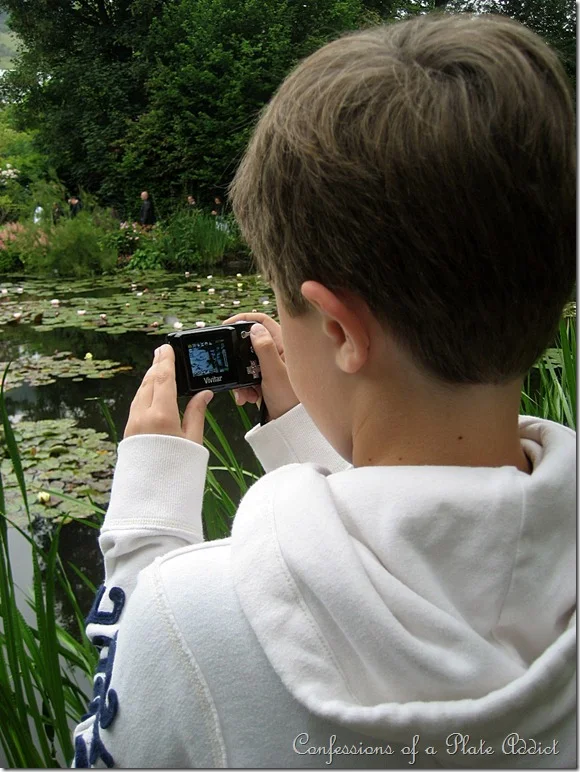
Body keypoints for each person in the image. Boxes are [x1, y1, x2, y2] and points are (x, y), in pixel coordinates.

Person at [72, 13, 575, 769]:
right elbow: (440, 561)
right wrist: (303, 434)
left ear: (339, 330)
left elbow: (111, 735)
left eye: (282, 302)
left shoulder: (190, 618)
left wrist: (147, 526)